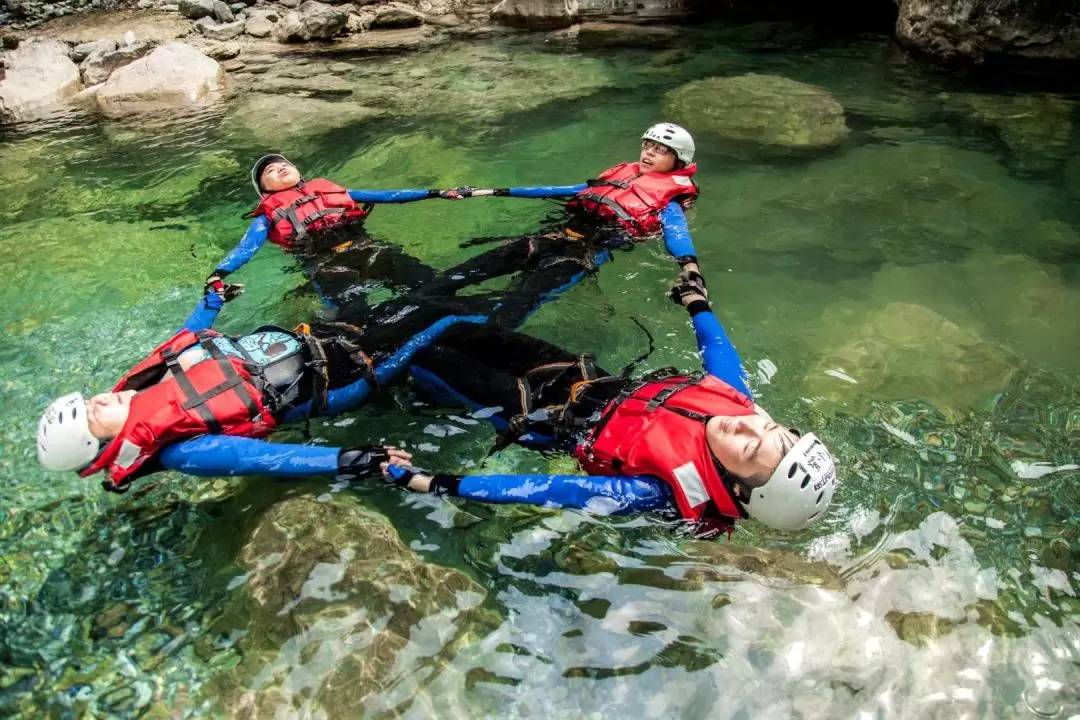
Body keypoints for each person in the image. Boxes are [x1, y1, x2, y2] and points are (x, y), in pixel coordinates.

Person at [380, 271, 838, 536]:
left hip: (533, 414)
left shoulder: (656, 493)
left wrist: (430, 481)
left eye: (750, 451)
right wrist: (696, 300)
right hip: (575, 374)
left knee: (423, 356)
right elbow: (719, 348)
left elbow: (549, 490)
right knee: (455, 326)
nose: (745, 428)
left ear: (736, 490)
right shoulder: (736, 406)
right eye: (768, 429)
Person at [35, 286, 497, 493]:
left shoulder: (145, 387)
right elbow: (262, 459)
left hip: (317, 343)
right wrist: (352, 459)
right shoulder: (183, 452)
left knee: (425, 303)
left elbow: (184, 340)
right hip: (342, 380)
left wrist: (211, 301)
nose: (99, 398)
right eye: (93, 414)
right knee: (443, 319)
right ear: (109, 445)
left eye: (89, 399)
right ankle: (525, 296)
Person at [401, 123, 705, 327]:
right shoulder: (620, 174)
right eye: (647, 144)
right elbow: (558, 189)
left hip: (582, 254)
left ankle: (464, 333)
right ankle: (412, 310)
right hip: (549, 235)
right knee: (451, 278)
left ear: (679, 161)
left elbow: (678, 235)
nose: (649, 152)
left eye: (661, 149)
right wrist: (489, 191)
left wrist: (690, 271)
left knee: (510, 311)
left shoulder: (671, 201)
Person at [205, 154, 469, 310]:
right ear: (265, 191)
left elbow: (389, 195)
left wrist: (438, 193)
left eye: (284, 164)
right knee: (354, 315)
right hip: (324, 265)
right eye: (271, 171)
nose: (280, 168)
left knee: (434, 284)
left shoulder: (329, 191)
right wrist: (218, 275)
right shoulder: (268, 216)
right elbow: (246, 248)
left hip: (369, 249)